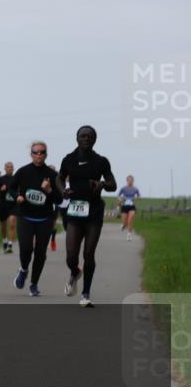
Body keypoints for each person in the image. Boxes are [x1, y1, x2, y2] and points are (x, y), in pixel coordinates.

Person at [58, 125, 117, 308]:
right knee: (71, 256)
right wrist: (63, 191)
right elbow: (59, 178)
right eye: (83, 136)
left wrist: (102, 184)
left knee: (89, 253)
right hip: (75, 212)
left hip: (94, 212)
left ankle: (85, 294)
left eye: (89, 136)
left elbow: (112, 184)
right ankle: (75, 272)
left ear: (94, 139)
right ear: (77, 138)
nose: (86, 139)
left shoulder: (101, 161)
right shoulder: (68, 159)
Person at [10, 141, 62, 296]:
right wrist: (17, 196)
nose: (38, 155)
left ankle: (34, 284)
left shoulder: (53, 175)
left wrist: (49, 189)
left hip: (45, 219)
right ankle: (24, 269)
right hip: (25, 216)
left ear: (46, 154)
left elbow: (59, 199)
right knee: (26, 249)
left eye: (42, 152)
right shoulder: (23, 171)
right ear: (31, 154)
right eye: (35, 152)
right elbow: (12, 188)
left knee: (40, 252)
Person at [0, 162, 18, 253]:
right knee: (3, 226)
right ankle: (4, 240)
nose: (10, 168)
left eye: (11, 167)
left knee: (12, 222)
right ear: (5, 168)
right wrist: (1, 189)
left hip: (13, 205)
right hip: (3, 205)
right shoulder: (0, 179)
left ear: (13, 168)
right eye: (8, 167)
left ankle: (10, 244)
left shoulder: (16, 179)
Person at [117, 175, 141, 241]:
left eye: (131, 180)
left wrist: (137, 198)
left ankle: (129, 235)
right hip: (124, 206)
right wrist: (121, 199)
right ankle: (124, 225)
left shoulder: (135, 189)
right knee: (125, 222)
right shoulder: (123, 188)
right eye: (129, 180)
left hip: (132, 206)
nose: (130, 182)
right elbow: (118, 195)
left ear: (133, 181)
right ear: (127, 181)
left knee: (130, 220)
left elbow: (139, 197)